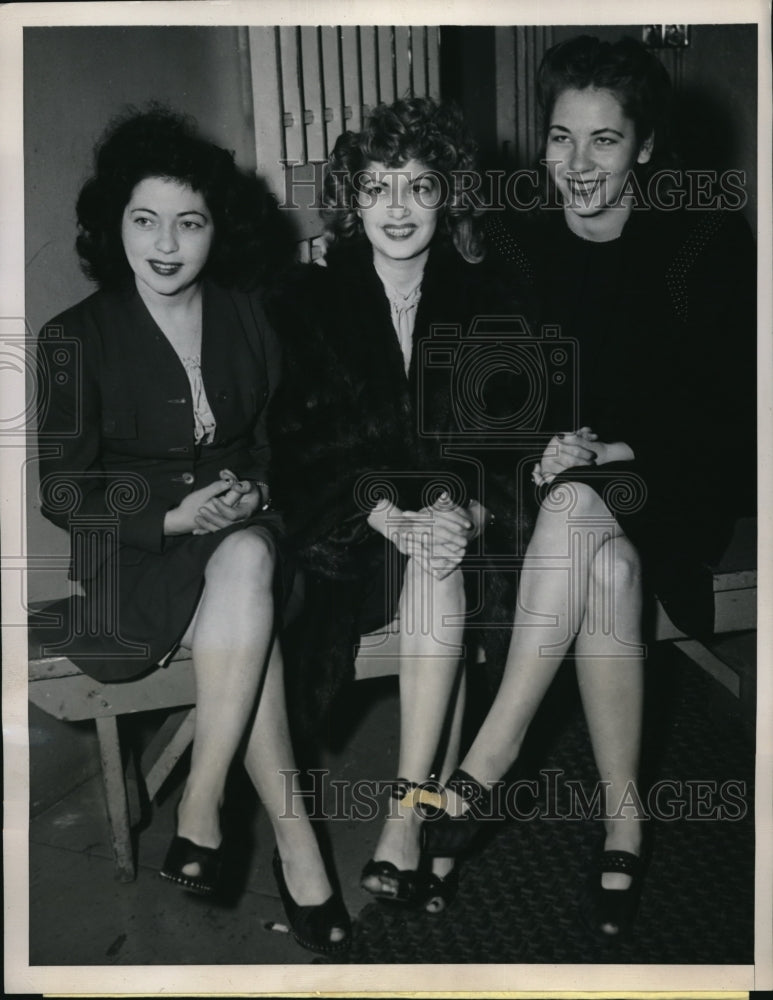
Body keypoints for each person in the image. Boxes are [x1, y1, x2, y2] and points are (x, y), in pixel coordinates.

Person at [422, 34, 756, 943]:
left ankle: (491, 755)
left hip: (678, 476)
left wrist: (615, 447)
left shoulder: (702, 238)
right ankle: (624, 827)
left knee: (578, 505)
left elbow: (734, 414)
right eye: (560, 137)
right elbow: (486, 392)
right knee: (602, 562)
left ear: (644, 146)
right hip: (561, 492)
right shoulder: (520, 240)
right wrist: (545, 440)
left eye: (603, 140)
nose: (575, 165)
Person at [36, 107, 350, 955]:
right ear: (115, 224)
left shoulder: (250, 315)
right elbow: (63, 492)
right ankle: (287, 842)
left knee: (245, 556)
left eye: (190, 222)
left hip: (244, 533)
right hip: (138, 557)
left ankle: (204, 801)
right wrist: (173, 515)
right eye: (145, 220)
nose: (166, 244)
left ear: (219, 229)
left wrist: (249, 491)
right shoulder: (72, 338)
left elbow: (274, 445)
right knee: (248, 607)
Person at [266, 97, 521, 913]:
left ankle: (405, 815)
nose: (398, 208)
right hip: (351, 534)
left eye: (418, 185)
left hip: (458, 533)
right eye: (377, 187)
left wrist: (464, 512)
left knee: (441, 557)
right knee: (426, 554)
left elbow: (507, 438)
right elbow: (299, 447)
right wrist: (385, 513)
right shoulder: (306, 300)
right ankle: (422, 828)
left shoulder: (486, 295)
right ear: (352, 198)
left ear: (448, 193)